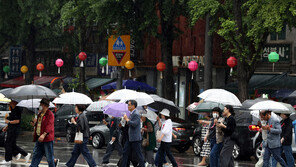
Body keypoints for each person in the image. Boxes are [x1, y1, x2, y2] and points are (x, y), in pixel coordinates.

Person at [0, 99, 31, 165]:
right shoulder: (13, 110)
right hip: (11, 129)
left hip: (14, 130)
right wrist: (6, 127)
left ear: (14, 102)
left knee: (8, 144)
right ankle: (24, 154)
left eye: (11, 101)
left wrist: (9, 122)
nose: (10, 103)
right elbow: (11, 121)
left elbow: (17, 121)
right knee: (12, 144)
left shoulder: (17, 110)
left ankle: (8, 160)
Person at [30, 98, 56, 167]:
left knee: (49, 158)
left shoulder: (50, 114)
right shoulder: (40, 114)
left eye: (41, 104)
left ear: (45, 105)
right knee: (36, 155)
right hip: (39, 138)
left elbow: (49, 126)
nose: (40, 106)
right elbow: (40, 125)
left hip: (47, 139)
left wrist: (44, 134)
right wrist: (34, 124)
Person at [121, 100, 145, 167]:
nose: (128, 106)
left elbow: (134, 124)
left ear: (133, 106)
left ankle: (142, 165)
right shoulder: (132, 113)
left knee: (138, 154)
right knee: (125, 152)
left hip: (135, 138)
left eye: (129, 105)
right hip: (130, 137)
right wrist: (125, 121)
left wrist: (127, 120)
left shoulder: (136, 114)